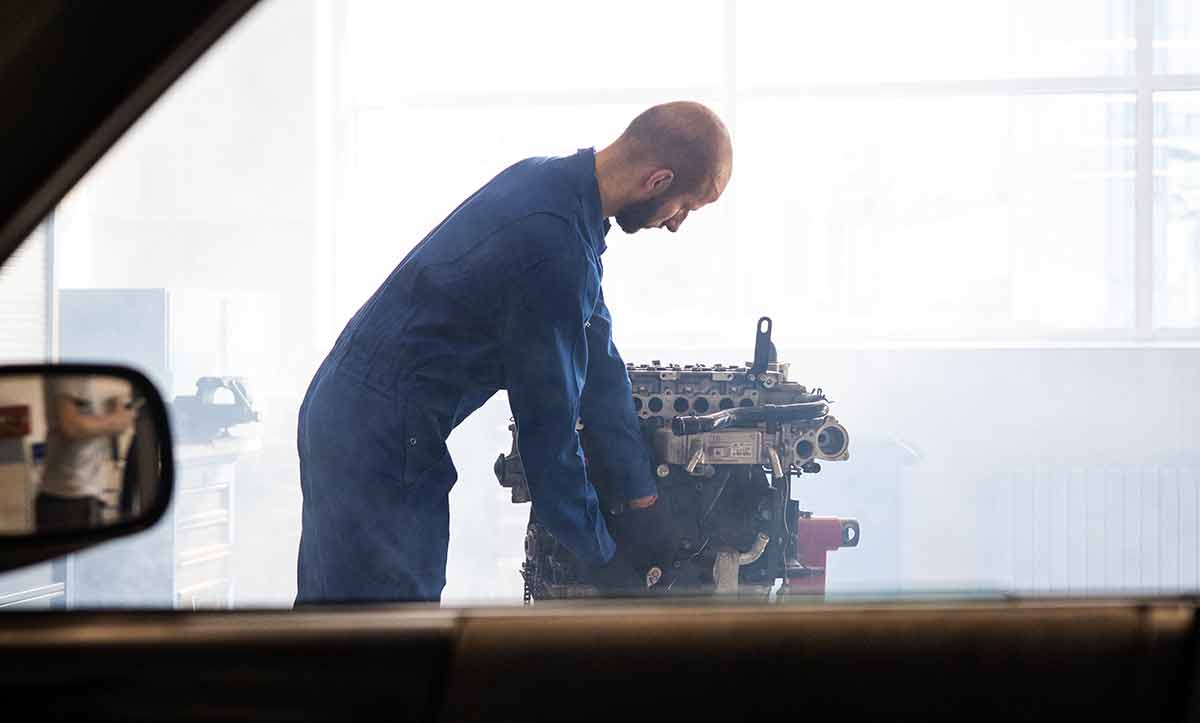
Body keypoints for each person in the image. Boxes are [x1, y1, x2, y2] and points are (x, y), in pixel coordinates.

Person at [296, 101, 733, 603]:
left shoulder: (552, 190)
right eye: (685, 207)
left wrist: (643, 500)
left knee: (341, 617)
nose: (677, 224)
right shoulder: (554, 249)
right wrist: (603, 559)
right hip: (377, 437)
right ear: (657, 181)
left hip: (352, 411)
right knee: (382, 625)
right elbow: (548, 431)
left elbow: (599, 363)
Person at [37, 376, 137, 532]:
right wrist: (119, 420)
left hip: (84, 495)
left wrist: (116, 410)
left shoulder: (92, 381)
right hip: (70, 500)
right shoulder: (69, 372)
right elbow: (72, 426)